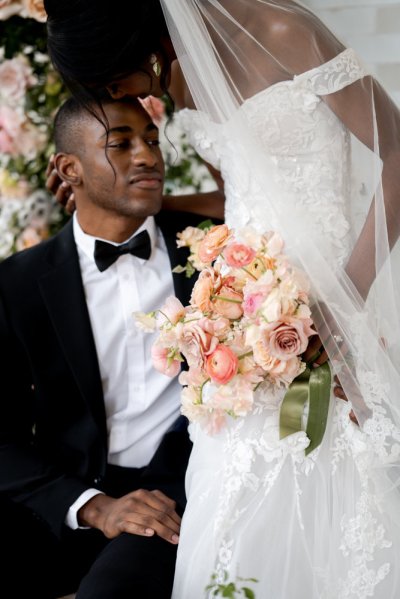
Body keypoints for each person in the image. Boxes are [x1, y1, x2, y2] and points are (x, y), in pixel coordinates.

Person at [43, 1, 400, 597]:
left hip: (337, 305)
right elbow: (239, 194)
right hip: (243, 335)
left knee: (341, 500)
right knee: (235, 513)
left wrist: (342, 304)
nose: (121, 93)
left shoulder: (285, 30)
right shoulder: (180, 72)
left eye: (113, 79)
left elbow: (398, 155)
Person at [0, 94, 222, 599]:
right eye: (120, 144)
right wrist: (93, 506)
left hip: (179, 493)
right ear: (68, 169)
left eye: (150, 139)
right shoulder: (16, 285)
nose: (147, 155)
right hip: (64, 493)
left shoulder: (214, 256)